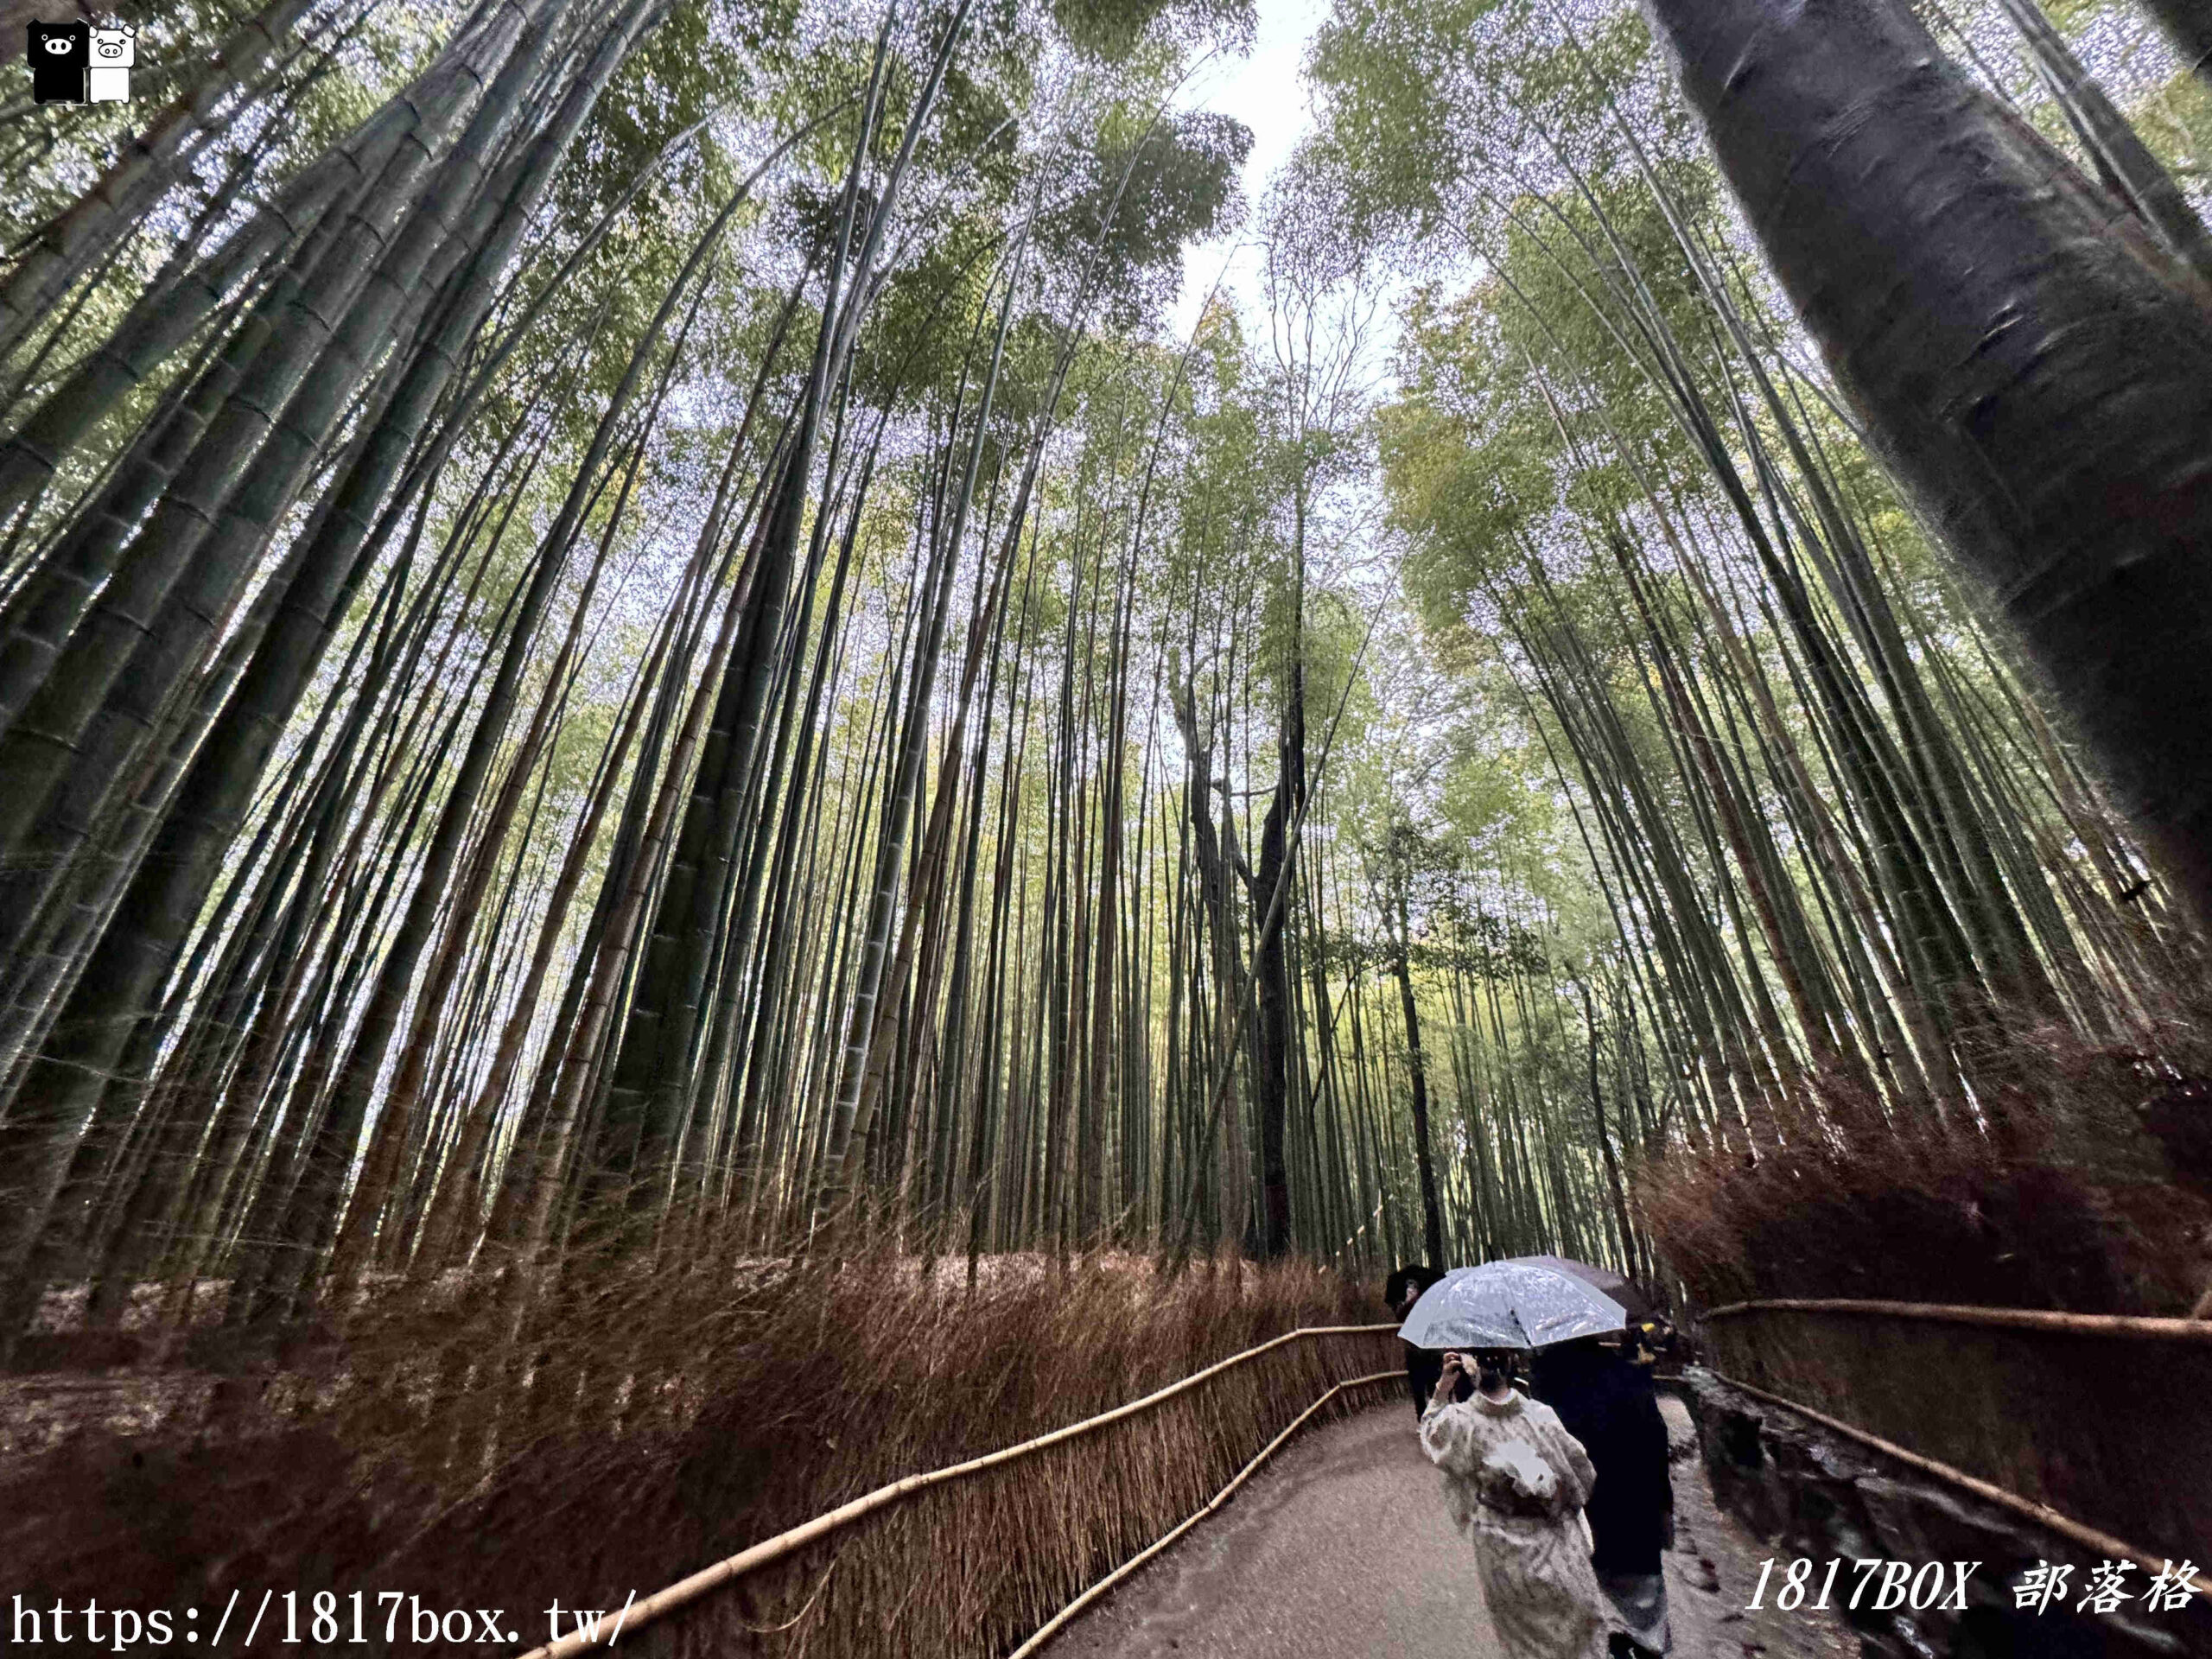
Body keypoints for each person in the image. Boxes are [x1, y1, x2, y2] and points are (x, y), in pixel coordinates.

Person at [1419, 1348, 1617, 1659]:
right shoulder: (1542, 1416)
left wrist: (1443, 1388)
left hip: (1504, 1559)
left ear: (1469, 1372)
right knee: (1578, 1637)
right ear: (1512, 1362)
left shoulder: (1460, 1423)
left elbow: (1430, 1434)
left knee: (1526, 1644)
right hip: (1558, 1548)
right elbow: (1583, 1474)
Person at [1532, 1337, 1675, 1656]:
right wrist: (1664, 1508)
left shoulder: (1544, 1388)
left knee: (1581, 1615)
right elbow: (1656, 1441)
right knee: (1645, 1612)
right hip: (1636, 1516)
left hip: (1578, 1521)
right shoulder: (1628, 1375)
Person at [1387, 1264, 1465, 1417]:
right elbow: (1400, 1317)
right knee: (1417, 1386)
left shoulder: (1431, 1299)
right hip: (1413, 1348)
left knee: (1435, 1382)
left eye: (1414, 1285)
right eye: (1409, 1285)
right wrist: (1409, 1302)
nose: (1411, 1287)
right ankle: (1422, 1417)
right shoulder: (1403, 1304)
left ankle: (1441, 1413)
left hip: (1432, 1347)